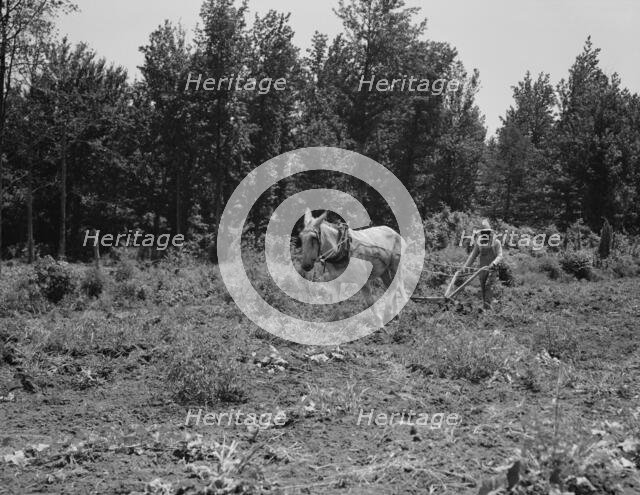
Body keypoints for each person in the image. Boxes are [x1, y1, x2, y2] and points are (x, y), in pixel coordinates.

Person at [463, 219, 503, 309]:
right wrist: (465, 267)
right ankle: (486, 309)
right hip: (481, 269)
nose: (485, 234)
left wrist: (494, 263)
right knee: (483, 289)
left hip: (492, 269)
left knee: (489, 287)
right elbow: (473, 256)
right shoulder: (479, 243)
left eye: (487, 232)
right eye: (483, 232)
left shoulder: (496, 242)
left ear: (490, 233)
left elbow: (500, 255)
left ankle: (488, 309)